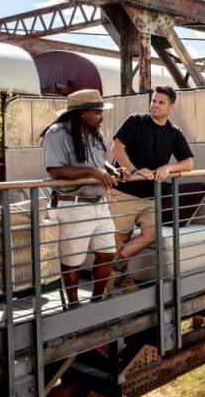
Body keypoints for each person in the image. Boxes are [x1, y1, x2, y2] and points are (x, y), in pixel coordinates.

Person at [40, 89, 129, 308]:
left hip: (99, 204)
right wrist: (91, 172)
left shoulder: (95, 133)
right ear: (82, 113)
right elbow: (56, 172)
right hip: (73, 205)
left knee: (107, 253)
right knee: (72, 260)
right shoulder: (57, 134)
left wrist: (115, 170)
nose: (101, 117)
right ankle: (73, 305)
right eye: (97, 112)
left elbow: (100, 163)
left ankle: (97, 300)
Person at [108, 85, 194, 290]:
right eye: (154, 100)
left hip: (150, 195)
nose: (155, 105)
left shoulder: (174, 132)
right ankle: (116, 283)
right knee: (121, 236)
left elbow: (188, 163)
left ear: (171, 107)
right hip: (123, 192)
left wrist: (169, 167)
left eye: (161, 102)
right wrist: (134, 170)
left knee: (151, 233)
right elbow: (116, 149)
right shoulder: (136, 121)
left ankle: (115, 269)